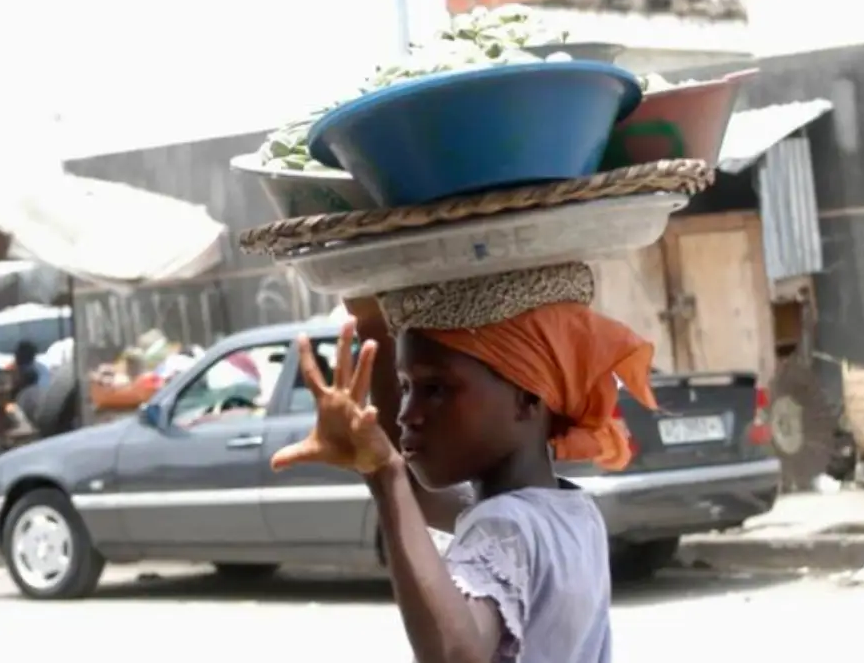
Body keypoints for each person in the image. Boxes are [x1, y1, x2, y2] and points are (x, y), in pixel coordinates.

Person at [271, 263, 657, 663]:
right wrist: (372, 320)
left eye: (435, 389)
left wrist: (385, 474)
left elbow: (456, 653)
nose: (408, 414)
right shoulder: (573, 512)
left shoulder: (505, 525)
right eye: (406, 389)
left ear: (526, 397)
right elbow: (419, 498)